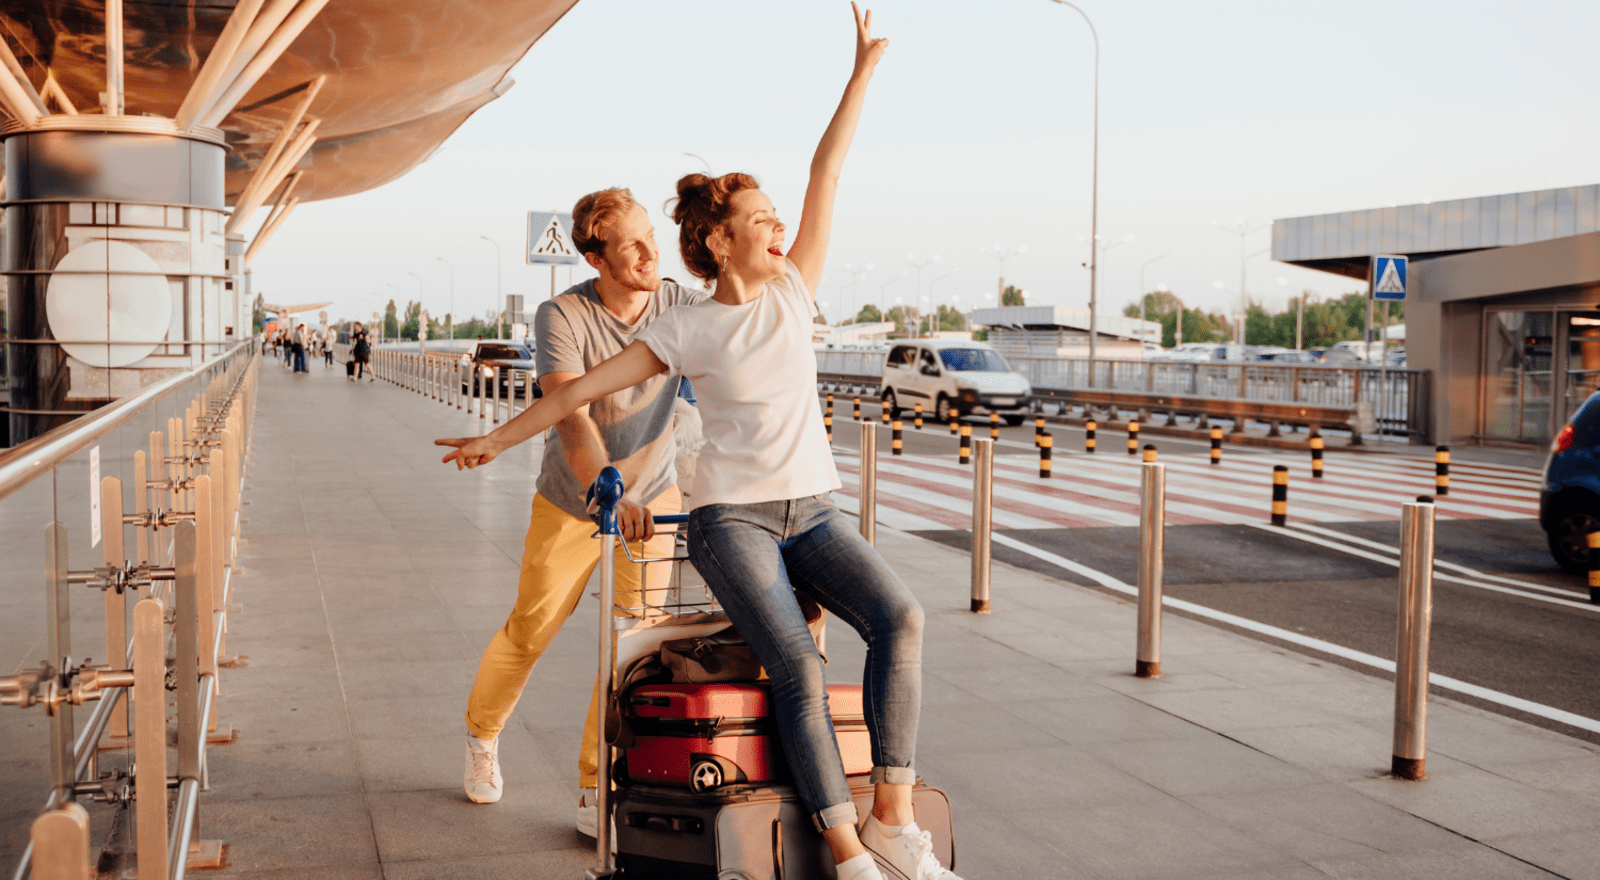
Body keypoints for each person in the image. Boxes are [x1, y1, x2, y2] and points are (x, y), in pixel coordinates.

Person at [439, 8, 956, 880]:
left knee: (892, 618)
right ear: (718, 240)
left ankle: (891, 822)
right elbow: (575, 401)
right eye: (759, 217)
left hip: (784, 506)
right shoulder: (652, 325)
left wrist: (862, 71)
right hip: (657, 506)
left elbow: (829, 169)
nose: (777, 225)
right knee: (582, 632)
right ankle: (845, 853)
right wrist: (495, 441)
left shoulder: (785, 289)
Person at [433, 188, 705, 831]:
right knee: (532, 629)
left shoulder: (679, 304)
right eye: (631, 245)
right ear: (595, 256)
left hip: (654, 500)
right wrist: (610, 490)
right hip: (577, 501)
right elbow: (572, 419)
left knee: (630, 644)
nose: (649, 253)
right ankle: (481, 736)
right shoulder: (563, 315)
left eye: (651, 238)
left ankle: (596, 785)